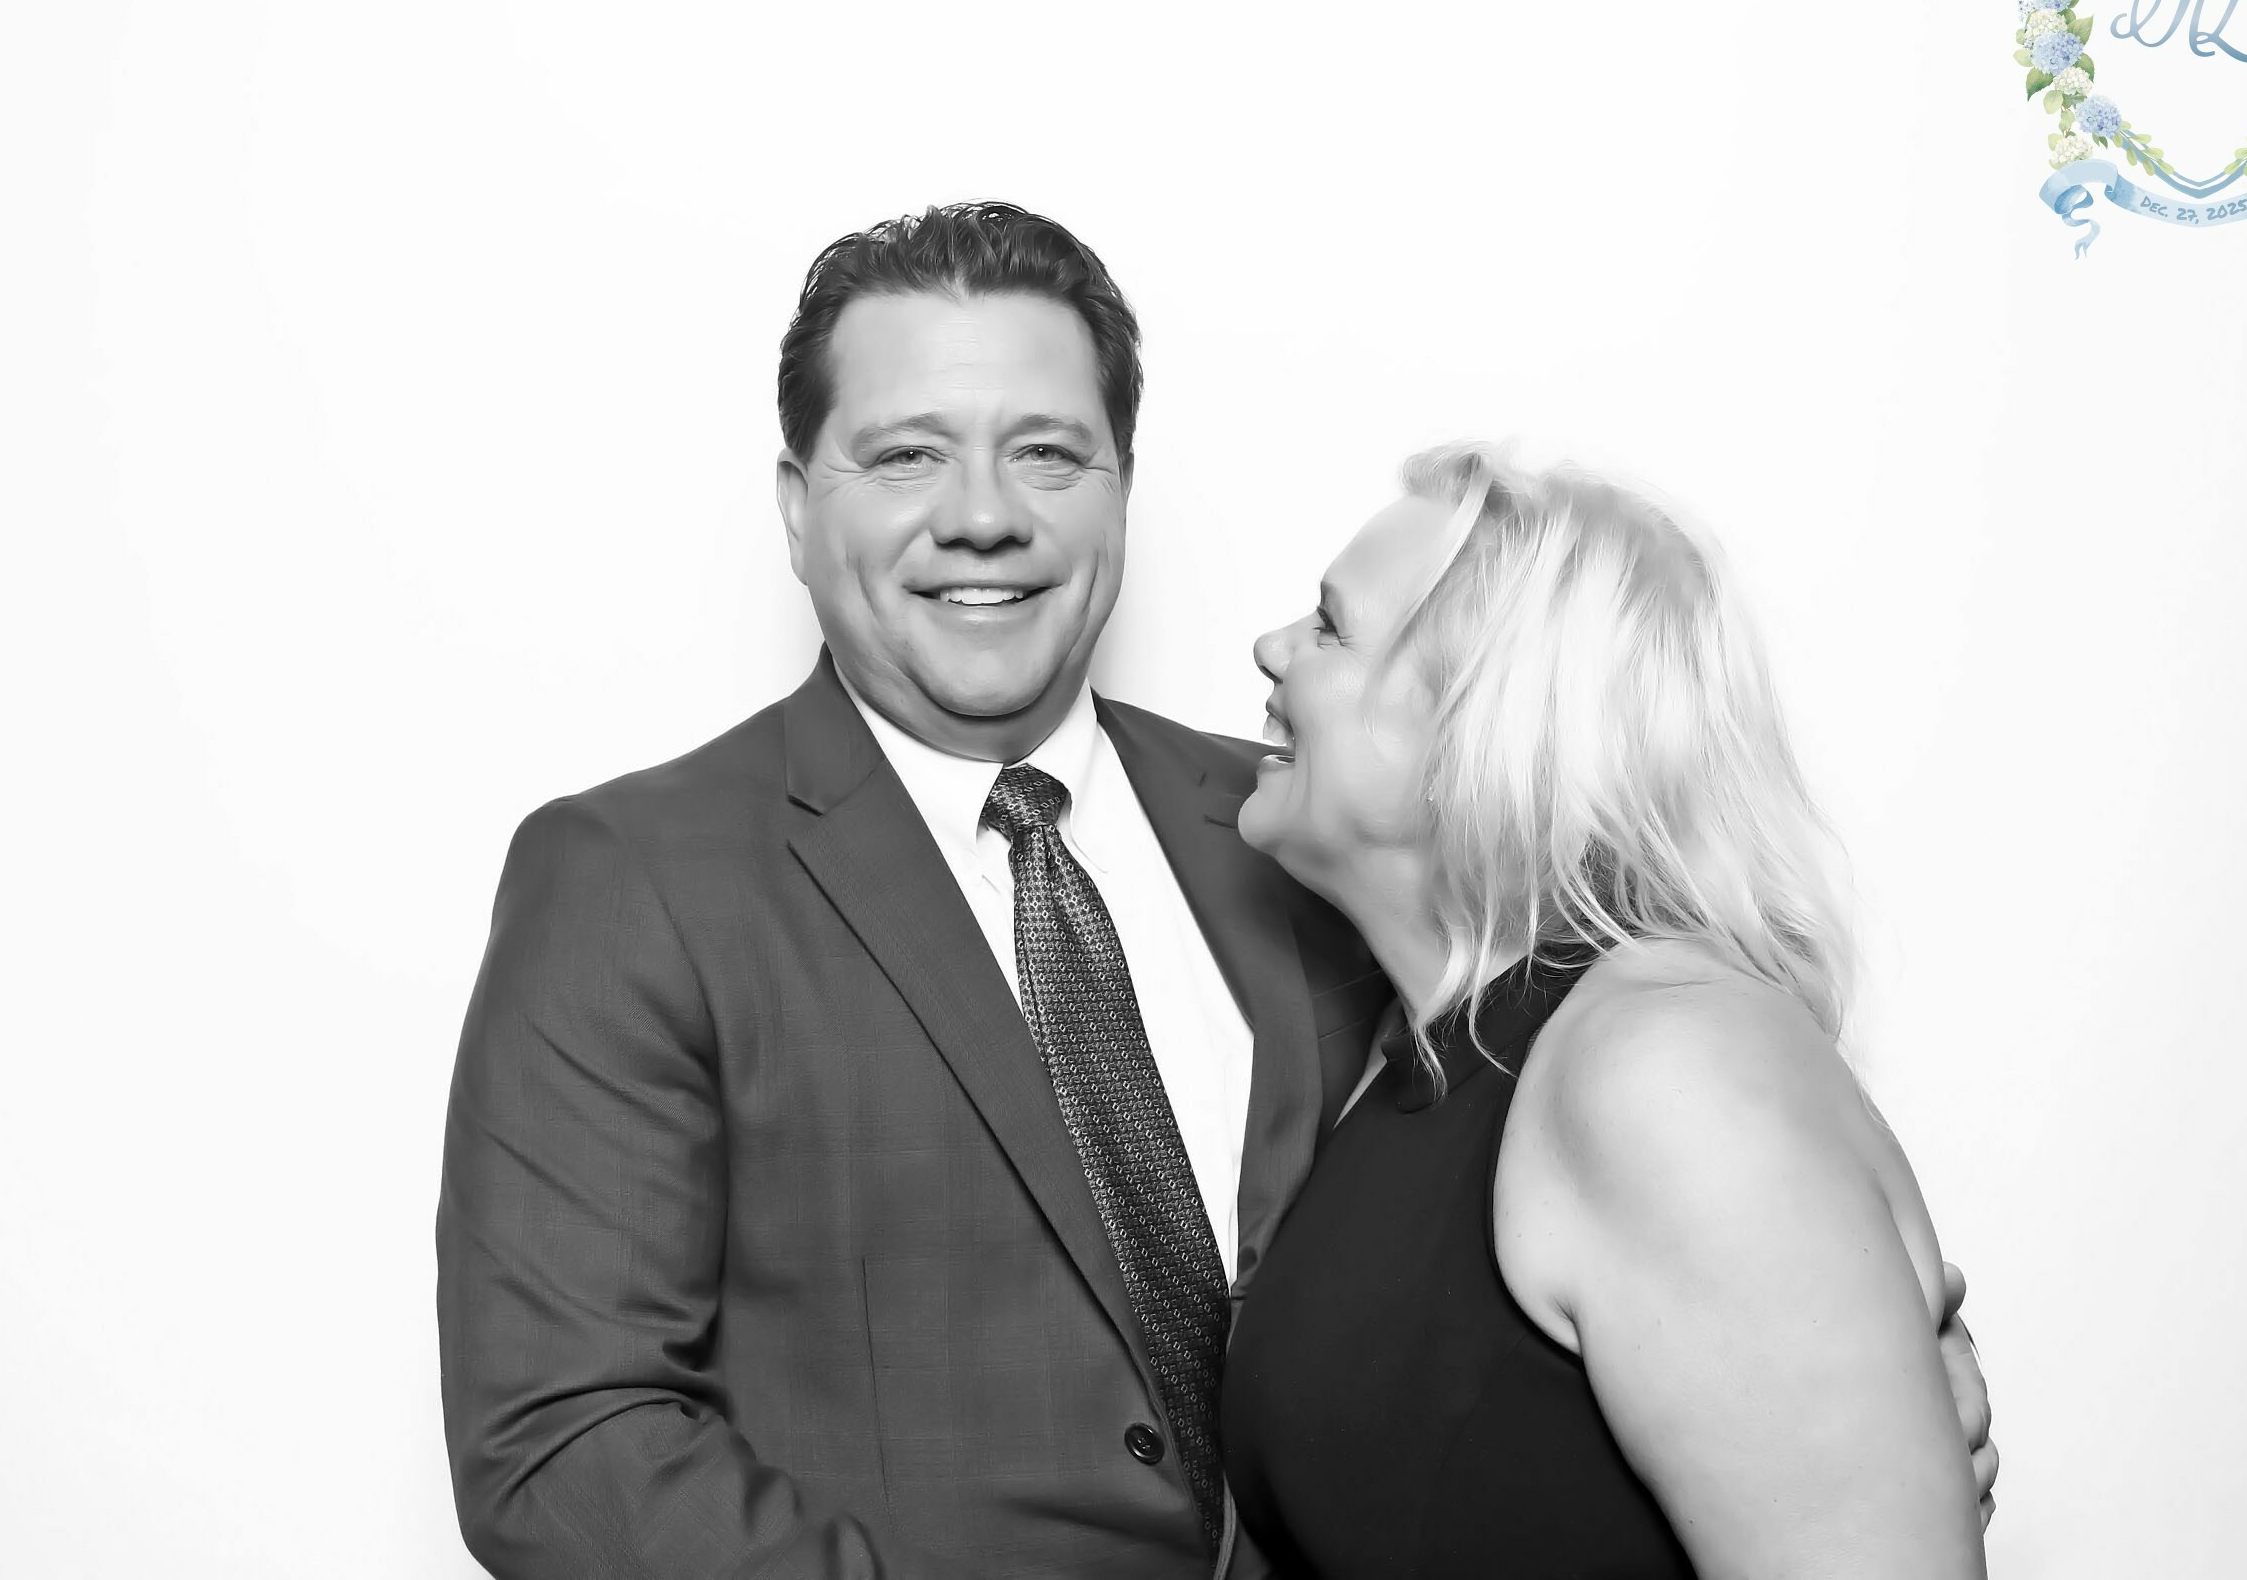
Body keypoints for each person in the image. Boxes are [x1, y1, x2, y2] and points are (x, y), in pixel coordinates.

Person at [436, 204, 1993, 1579]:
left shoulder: (1320, 836)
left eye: (1048, 451)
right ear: (798, 506)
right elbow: (562, 1442)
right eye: (906, 453)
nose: (983, 513)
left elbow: (1618, 1196)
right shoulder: (637, 882)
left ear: (1122, 487)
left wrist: (1865, 1374)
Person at [1223, 444, 1991, 1577]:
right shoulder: (1435, 1060)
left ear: (1481, 724)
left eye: (1331, 629)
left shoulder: (1664, 1066)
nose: (1272, 646)